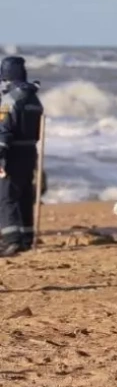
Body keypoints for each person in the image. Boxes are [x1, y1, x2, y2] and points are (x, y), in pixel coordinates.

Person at [0, 56, 43, 257]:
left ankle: (12, 240)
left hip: (13, 153)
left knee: (7, 196)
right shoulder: (34, 97)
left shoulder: (10, 99)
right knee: (25, 194)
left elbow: (4, 129)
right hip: (30, 152)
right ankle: (26, 237)